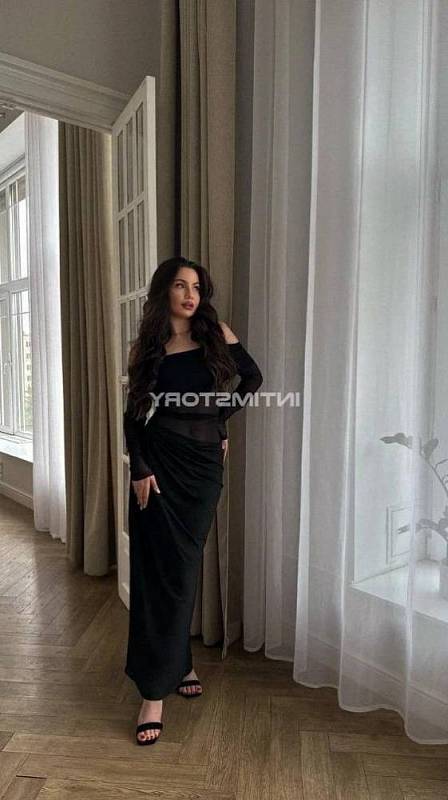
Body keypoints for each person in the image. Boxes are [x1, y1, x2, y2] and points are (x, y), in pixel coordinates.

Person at [123, 256, 263, 745]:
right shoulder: (147, 347)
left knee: (182, 572)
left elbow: (252, 379)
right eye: (181, 285)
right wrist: (139, 468)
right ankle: (154, 691)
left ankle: (178, 662)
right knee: (157, 573)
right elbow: (134, 413)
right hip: (157, 467)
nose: (190, 295)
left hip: (202, 470)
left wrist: (218, 419)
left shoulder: (216, 334)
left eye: (197, 287)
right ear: (165, 290)